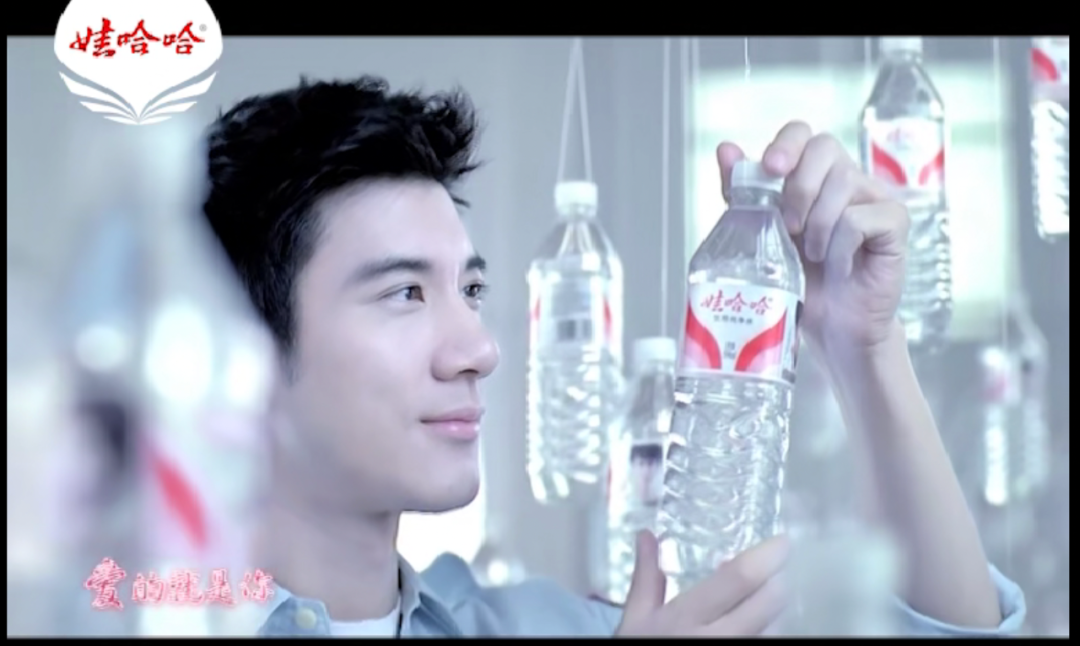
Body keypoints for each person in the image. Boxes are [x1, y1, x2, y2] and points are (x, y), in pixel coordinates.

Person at [200, 75, 1025, 637]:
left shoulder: (550, 625)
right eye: (406, 293)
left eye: (471, 290)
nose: (479, 350)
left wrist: (865, 348)